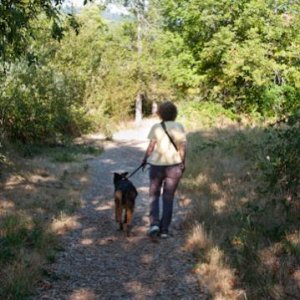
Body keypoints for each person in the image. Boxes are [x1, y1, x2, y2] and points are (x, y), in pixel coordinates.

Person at [142, 101, 187, 239]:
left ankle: (154, 224)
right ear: (174, 113)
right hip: (174, 166)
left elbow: (151, 146)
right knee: (168, 198)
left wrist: (144, 159)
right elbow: (182, 147)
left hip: (157, 166)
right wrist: (183, 162)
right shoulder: (179, 126)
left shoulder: (156, 127)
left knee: (154, 195)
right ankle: (164, 230)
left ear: (160, 113)